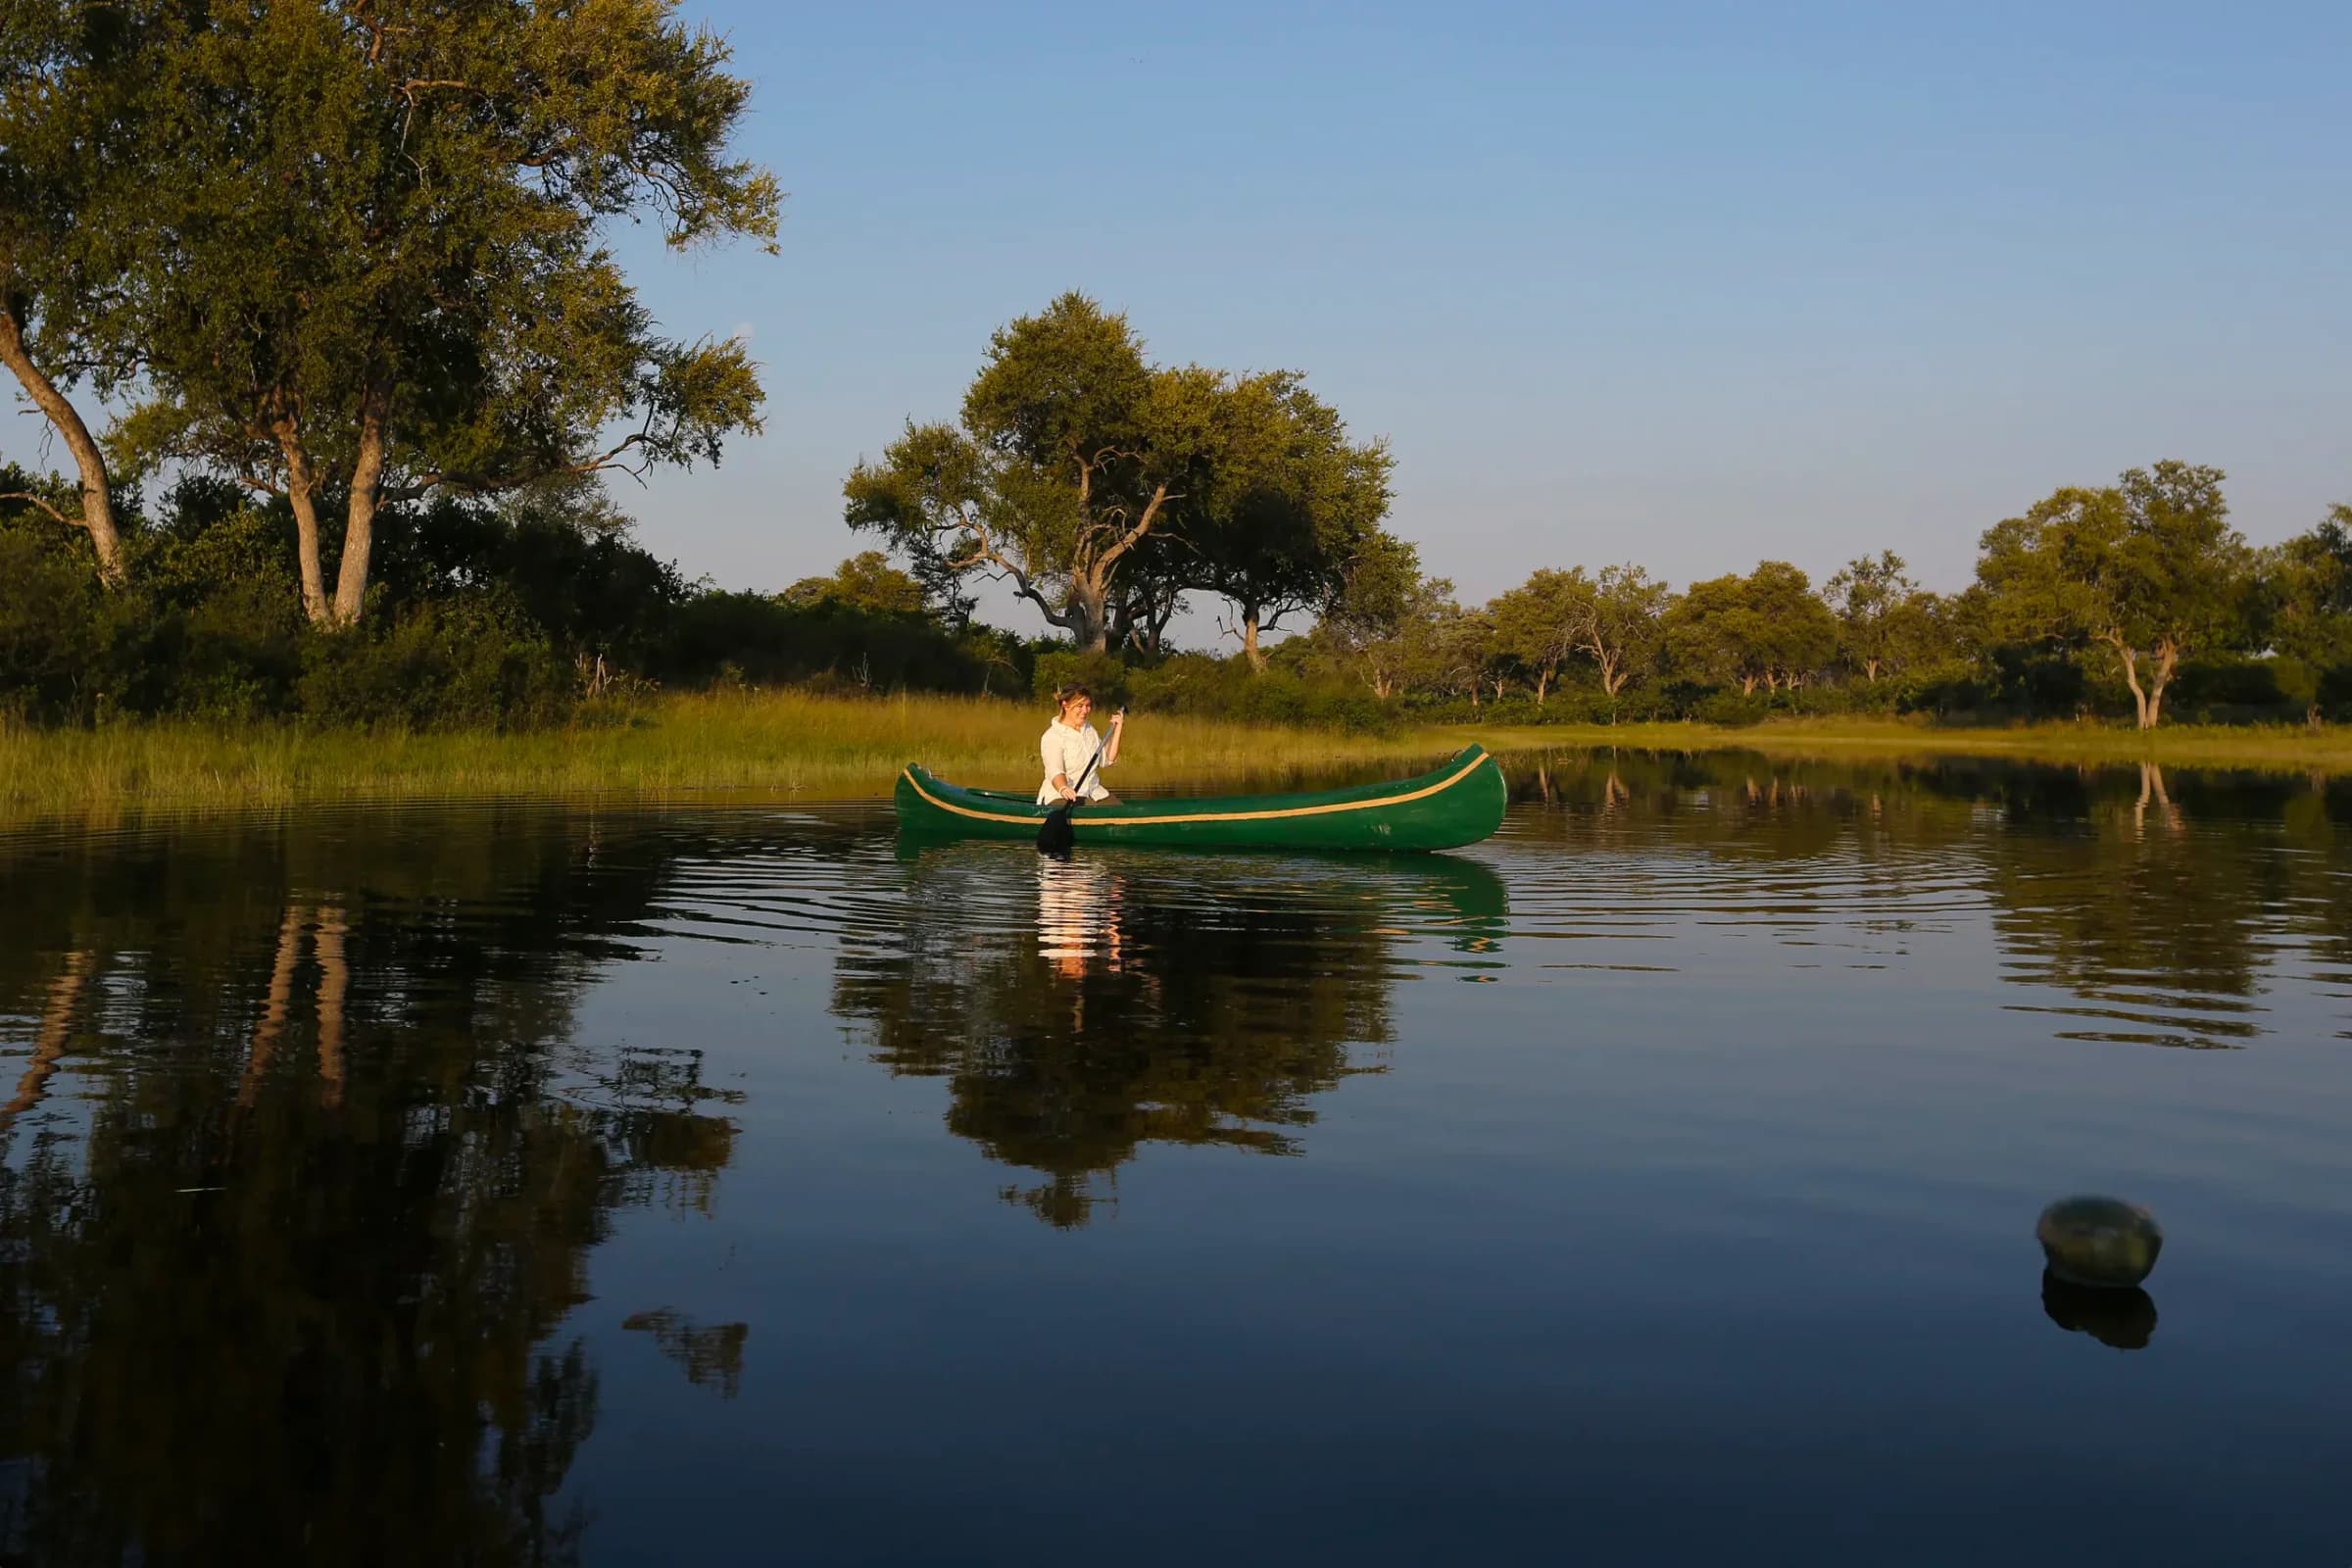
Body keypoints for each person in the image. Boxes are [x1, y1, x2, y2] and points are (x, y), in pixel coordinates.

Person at [1038, 685, 1123, 807]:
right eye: (1080, 706)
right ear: (1065, 705)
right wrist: (1064, 788)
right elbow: (1055, 771)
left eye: (1088, 706)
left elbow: (1107, 760)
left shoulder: (1089, 729)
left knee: (1119, 809)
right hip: (1061, 797)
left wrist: (1117, 729)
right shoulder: (1052, 736)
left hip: (1095, 792)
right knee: (1092, 812)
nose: (1085, 710)